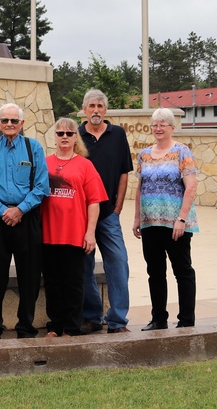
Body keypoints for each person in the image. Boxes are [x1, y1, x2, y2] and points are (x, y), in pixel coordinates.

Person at [0, 103, 49, 339]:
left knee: (29, 275)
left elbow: (41, 187)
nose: (9, 124)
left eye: (13, 121)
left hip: (26, 218)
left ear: (22, 124)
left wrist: (20, 210)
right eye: (5, 120)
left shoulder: (33, 148)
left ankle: (26, 327)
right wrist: (2, 210)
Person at [134, 108, 200, 331]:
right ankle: (159, 319)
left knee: (182, 271)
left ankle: (186, 320)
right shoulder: (143, 154)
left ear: (172, 127)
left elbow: (191, 187)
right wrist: (137, 219)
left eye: (163, 124)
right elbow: (139, 188)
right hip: (150, 223)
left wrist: (181, 219)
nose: (158, 128)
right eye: (155, 124)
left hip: (175, 225)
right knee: (155, 272)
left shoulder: (183, 152)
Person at [42, 118, 107, 338]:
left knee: (73, 283)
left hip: (74, 234)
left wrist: (90, 233)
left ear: (75, 137)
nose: (64, 137)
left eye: (69, 134)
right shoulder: (44, 162)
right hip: (48, 234)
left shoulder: (85, 165)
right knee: (53, 283)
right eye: (60, 133)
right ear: (55, 137)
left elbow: (94, 201)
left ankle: (71, 327)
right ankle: (55, 326)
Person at [77, 89, 134, 335]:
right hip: (81, 215)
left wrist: (118, 206)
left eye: (100, 105)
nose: (96, 110)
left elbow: (124, 172)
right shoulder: (76, 135)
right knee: (84, 266)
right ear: (84, 110)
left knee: (119, 262)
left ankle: (117, 320)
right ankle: (91, 317)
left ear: (106, 110)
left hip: (109, 213)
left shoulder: (118, 134)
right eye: (92, 106)